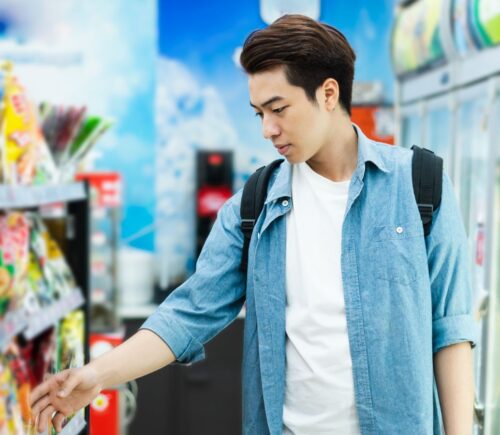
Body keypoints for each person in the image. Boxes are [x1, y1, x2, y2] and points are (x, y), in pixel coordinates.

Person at [30, 14, 476, 435]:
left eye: (278, 108)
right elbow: (189, 313)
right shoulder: (254, 206)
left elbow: (451, 330)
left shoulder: (421, 185)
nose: (267, 128)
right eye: (258, 113)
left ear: (328, 93)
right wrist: (95, 376)